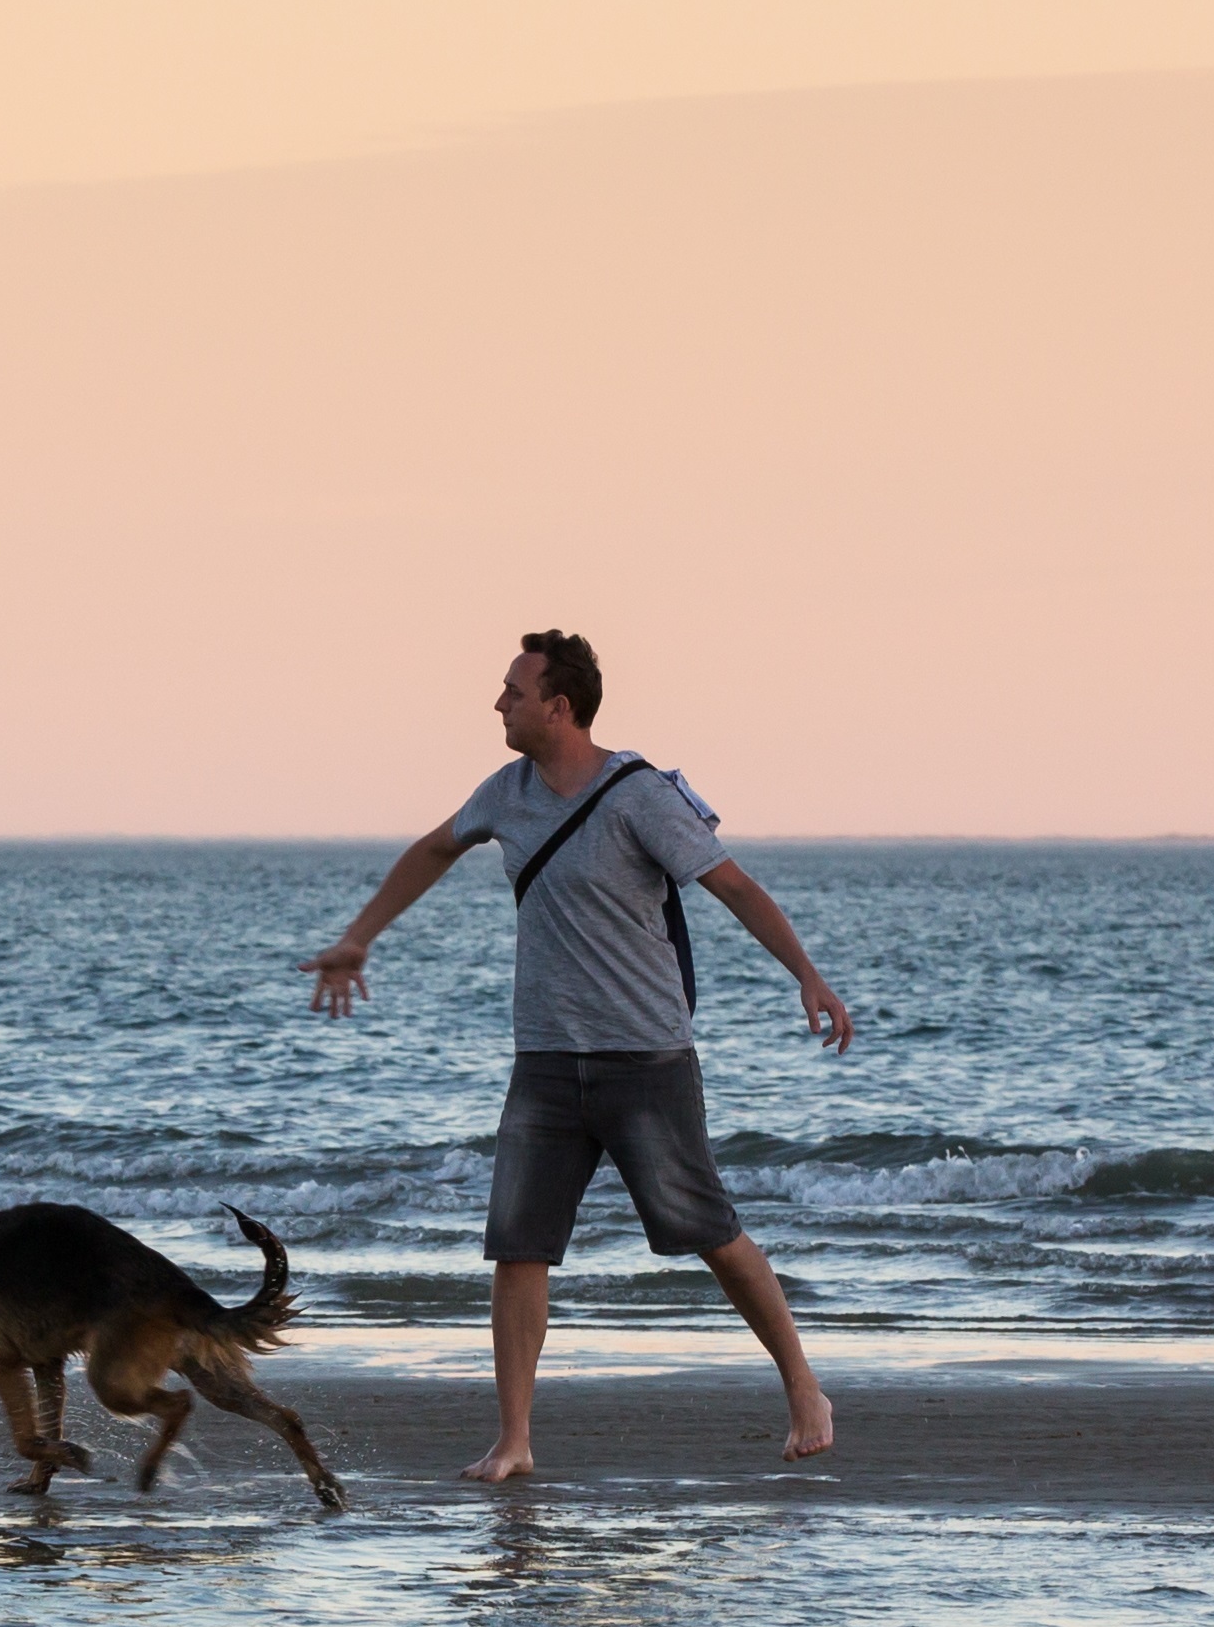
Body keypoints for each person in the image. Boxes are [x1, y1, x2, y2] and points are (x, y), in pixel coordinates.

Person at [301, 630, 852, 1481]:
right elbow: (433, 848)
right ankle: (513, 1439)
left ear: (560, 707)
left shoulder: (638, 796)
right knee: (518, 1246)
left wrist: (808, 975)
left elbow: (733, 885)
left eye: (514, 691)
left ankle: (803, 1387)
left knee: (708, 1229)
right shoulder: (507, 792)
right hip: (546, 1061)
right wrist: (357, 939)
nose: (498, 704)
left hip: (645, 1058)